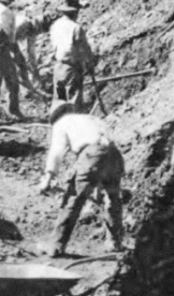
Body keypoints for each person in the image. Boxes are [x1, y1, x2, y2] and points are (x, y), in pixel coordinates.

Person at [37, 100, 126, 257]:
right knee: (112, 198)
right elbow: (105, 146)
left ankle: (56, 246)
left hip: (92, 155)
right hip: (114, 155)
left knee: (73, 198)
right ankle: (114, 243)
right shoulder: (92, 119)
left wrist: (48, 178)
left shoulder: (62, 123)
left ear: (55, 116)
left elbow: (57, 152)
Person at [49, 0, 96, 106]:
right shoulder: (76, 28)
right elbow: (84, 48)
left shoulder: (55, 25)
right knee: (73, 103)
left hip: (58, 67)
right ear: (75, 12)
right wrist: (90, 63)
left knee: (59, 104)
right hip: (72, 68)